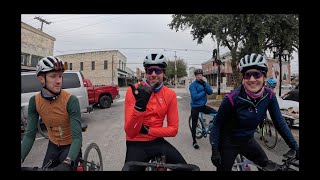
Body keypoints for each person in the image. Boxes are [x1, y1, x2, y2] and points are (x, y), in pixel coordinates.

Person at [210, 53, 299, 171]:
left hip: (248, 141)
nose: (252, 79)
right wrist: (215, 150)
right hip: (228, 143)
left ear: (264, 76)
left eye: (256, 74)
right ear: (243, 78)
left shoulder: (269, 96)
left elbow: (279, 123)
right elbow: (217, 124)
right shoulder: (232, 99)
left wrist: (295, 147)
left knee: (267, 167)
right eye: (247, 75)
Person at [123, 53, 187, 171]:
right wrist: (140, 107)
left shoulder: (170, 94)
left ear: (163, 73)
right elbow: (130, 132)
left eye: (157, 71)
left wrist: (148, 131)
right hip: (136, 142)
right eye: (149, 70)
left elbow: (173, 130)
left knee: (186, 168)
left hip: (157, 141)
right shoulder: (133, 91)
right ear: (145, 72)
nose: (153, 74)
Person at [21, 56, 83, 171]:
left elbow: (77, 138)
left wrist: (68, 162)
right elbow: (29, 135)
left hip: (71, 146)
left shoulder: (71, 100)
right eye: (53, 76)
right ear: (41, 79)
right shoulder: (35, 101)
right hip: (53, 145)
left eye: (60, 76)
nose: (59, 81)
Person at [189, 69, 217, 149]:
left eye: (200, 75)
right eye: (198, 75)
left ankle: (212, 123)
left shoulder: (204, 83)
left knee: (217, 113)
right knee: (194, 124)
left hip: (203, 106)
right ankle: (194, 141)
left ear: (202, 75)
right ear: (195, 76)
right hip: (195, 107)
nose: (199, 76)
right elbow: (194, 97)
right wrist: (204, 92)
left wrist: (205, 85)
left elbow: (210, 92)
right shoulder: (192, 85)